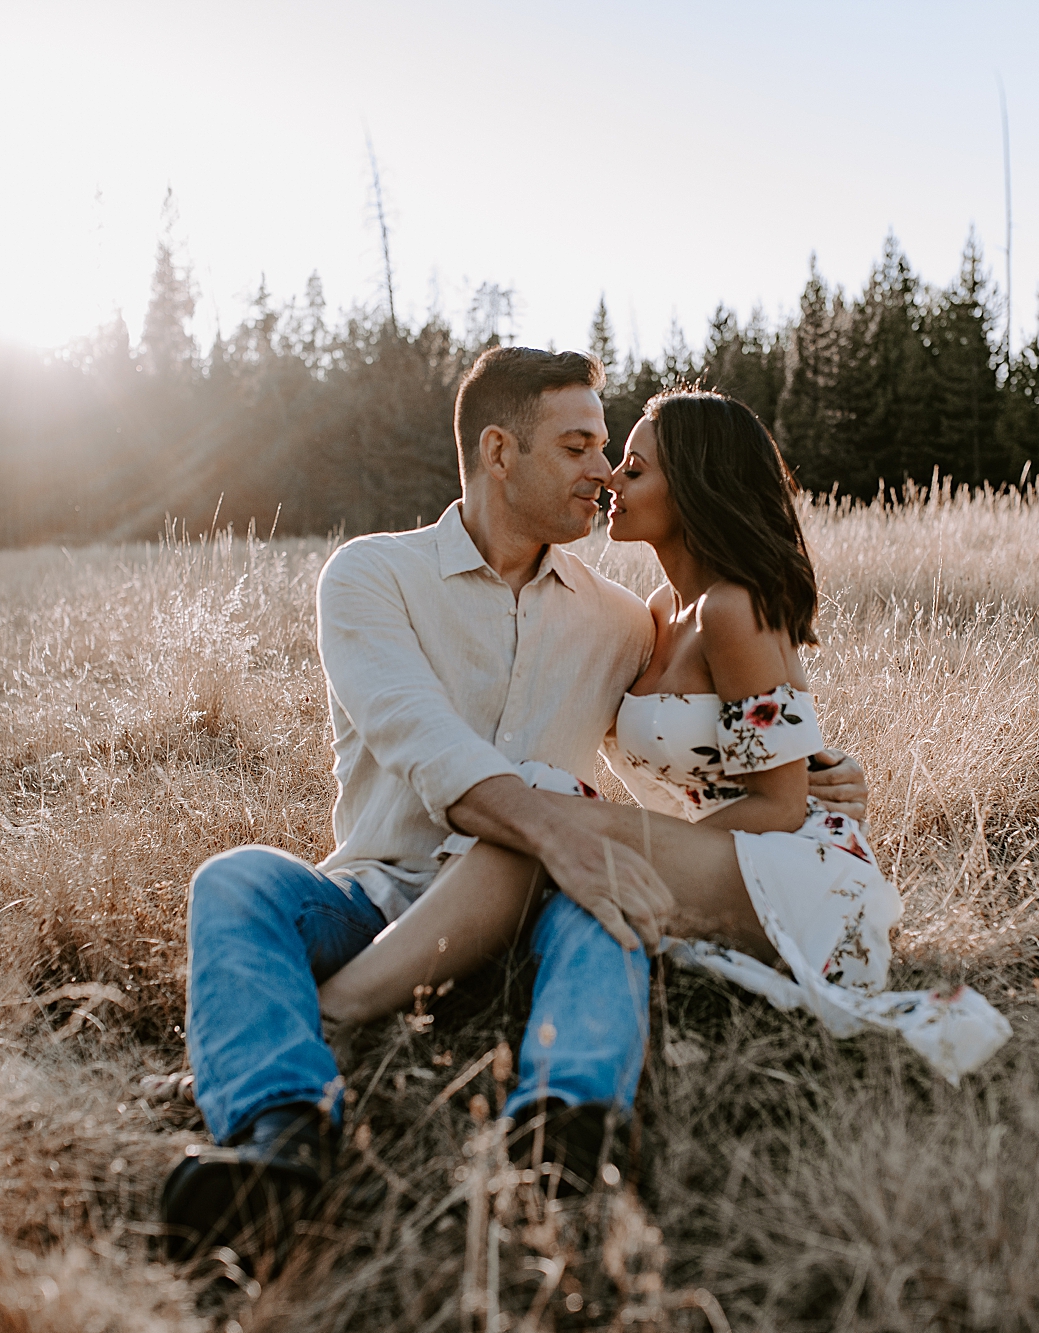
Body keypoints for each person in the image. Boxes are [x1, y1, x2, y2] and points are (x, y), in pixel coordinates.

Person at [160, 350, 868, 1271]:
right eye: (578, 446)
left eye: (612, 450)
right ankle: (279, 1140)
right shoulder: (372, 577)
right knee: (236, 881)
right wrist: (560, 829)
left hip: (544, 903)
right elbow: (427, 745)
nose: (603, 472)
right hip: (383, 895)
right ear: (499, 450)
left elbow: (709, 710)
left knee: (601, 892)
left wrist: (822, 770)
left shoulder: (624, 619)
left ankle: (566, 1132)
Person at [318, 389, 1010, 1095]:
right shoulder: (653, 616)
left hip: (799, 878)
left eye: (635, 468)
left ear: (694, 489)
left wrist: (632, 832)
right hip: (718, 859)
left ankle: (335, 1010)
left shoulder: (734, 609)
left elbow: (778, 803)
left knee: (547, 813)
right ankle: (372, 987)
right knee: (544, 815)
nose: (611, 478)